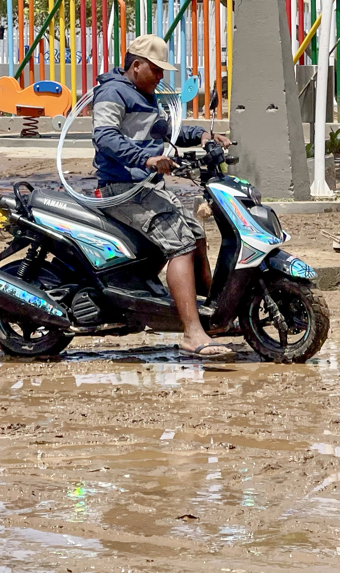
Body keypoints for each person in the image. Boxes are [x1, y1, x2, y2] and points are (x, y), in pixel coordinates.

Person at [92, 34, 234, 360]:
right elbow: (105, 136)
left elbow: (167, 131)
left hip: (146, 188)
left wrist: (202, 135)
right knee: (180, 243)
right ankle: (192, 333)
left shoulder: (144, 94)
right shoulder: (113, 92)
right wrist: (146, 158)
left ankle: (211, 315)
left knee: (196, 235)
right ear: (136, 65)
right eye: (155, 70)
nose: (160, 77)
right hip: (122, 189)